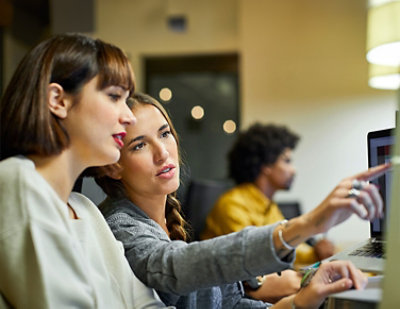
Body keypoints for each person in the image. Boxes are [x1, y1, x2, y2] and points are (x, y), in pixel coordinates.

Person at [94, 92, 387, 309]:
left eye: (165, 133)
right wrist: (308, 224)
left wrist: (303, 299)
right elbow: (172, 266)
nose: (163, 153)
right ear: (112, 164)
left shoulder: (163, 225)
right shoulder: (119, 226)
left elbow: (231, 306)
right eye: (140, 145)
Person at [0, 34, 169, 308]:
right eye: (114, 96)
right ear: (58, 100)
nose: (129, 116)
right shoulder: (18, 182)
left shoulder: (85, 209)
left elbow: (146, 304)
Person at [200, 124, 335, 302]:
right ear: (266, 166)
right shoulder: (232, 205)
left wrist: (317, 252)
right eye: (287, 161)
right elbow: (251, 262)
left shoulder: (269, 207)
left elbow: (289, 248)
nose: (293, 170)